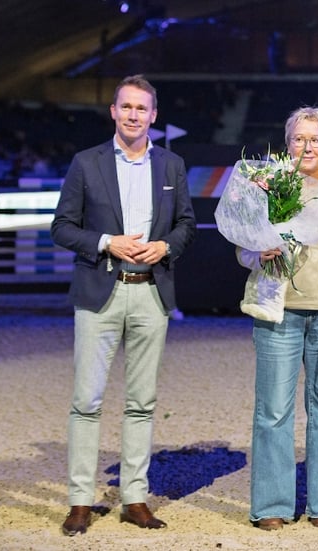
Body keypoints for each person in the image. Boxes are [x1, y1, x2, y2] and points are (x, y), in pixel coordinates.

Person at [51, 74, 196, 537]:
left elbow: (187, 226)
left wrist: (166, 248)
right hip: (99, 291)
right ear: (113, 111)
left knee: (142, 402)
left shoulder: (172, 166)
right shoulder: (85, 163)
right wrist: (105, 241)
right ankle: (80, 500)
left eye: (142, 109)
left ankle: (134, 496)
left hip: (152, 292)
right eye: (126, 107)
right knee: (86, 400)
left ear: (154, 115)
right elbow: (61, 227)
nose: (133, 115)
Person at [236, 107, 318, 530]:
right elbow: (242, 246)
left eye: (315, 139)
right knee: (273, 411)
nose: (307, 146)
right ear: (287, 143)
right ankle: (272, 505)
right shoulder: (266, 182)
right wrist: (257, 250)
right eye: (298, 139)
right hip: (279, 311)